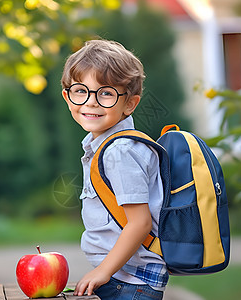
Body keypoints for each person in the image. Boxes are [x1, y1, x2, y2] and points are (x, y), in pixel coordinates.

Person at [61, 39, 168, 300]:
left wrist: (103, 272)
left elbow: (140, 223)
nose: (91, 102)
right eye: (80, 91)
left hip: (131, 282)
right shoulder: (103, 146)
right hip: (125, 277)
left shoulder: (120, 151)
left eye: (106, 93)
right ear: (67, 96)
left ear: (130, 104)